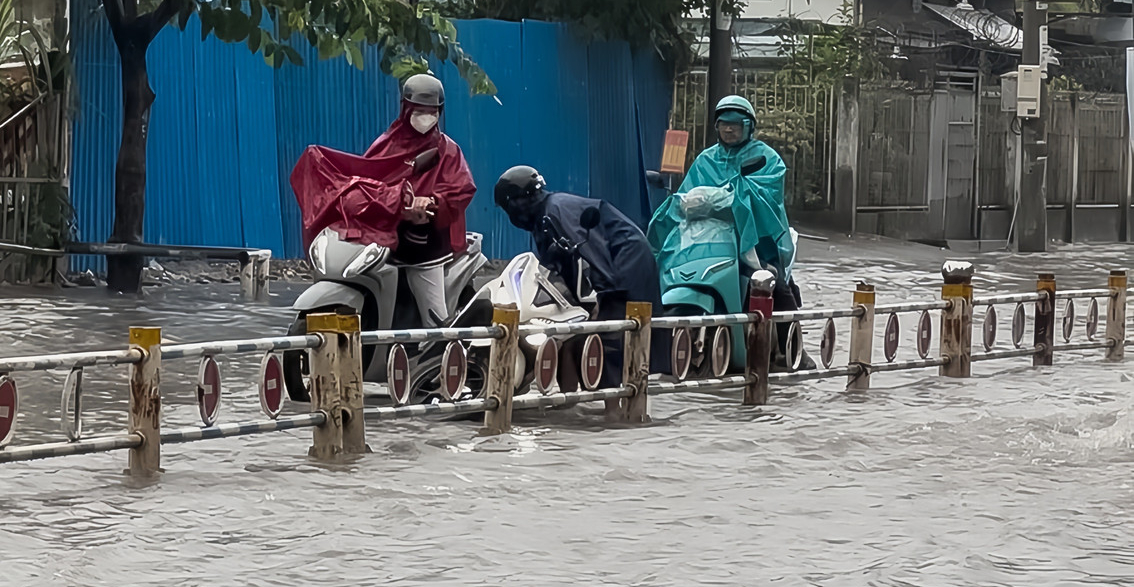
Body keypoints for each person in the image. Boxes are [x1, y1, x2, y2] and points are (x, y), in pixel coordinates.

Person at [290, 73, 475, 327]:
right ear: (405, 108)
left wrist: (431, 201)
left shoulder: (448, 150)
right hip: (385, 241)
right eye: (418, 111)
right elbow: (367, 178)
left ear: (440, 112)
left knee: (436, 322)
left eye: (431, 112)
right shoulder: (387, 145)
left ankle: (441, 353)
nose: (425, 117)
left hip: (424, 247)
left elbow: (461, 190)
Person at [650, 94, 806, 361]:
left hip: (756, 236)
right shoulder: (706, 159)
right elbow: (688, 194)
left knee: (772, 281)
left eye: (736, 124)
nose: (730, 129)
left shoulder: (766, 158)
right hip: (711, 237)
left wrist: (729, 197)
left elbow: (767, 196)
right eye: (724, 124)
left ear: (749, 126)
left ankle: (794, 350)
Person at [493, 166, 671, 380]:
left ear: (517, 202)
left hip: (624, 261)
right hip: (610, 266)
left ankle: (614, 408)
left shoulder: (556, 212)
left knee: (610, 337)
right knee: (574, 339)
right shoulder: (543, 219)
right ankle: (572, 406)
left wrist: (600, 296)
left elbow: (592, 252)